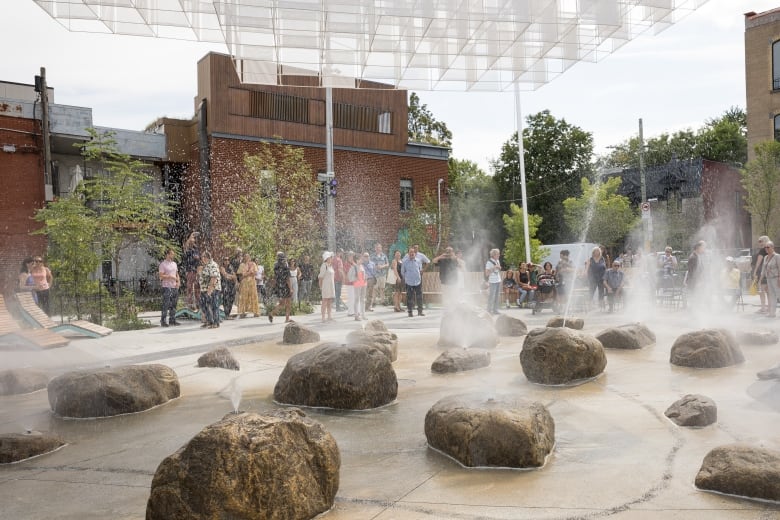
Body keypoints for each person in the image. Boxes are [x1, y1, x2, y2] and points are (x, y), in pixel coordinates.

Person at [198, 251, 221, 329]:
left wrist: (210, 289)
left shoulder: (212, 265)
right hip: (204, 289)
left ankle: (216, 322)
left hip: (212, 289)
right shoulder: (206, 265)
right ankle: (209, 321)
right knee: (204, 306)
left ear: (206, 257)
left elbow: (214, 277)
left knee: (214, 306)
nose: (202, 259)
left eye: (203, 257)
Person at [158, 248, 181, 327]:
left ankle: (172, 320)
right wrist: (170, 277)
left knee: (174, 304)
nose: (173, 255)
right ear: (167, 255)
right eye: (171, 254)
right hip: (166, 287)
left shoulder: (174, 263)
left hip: (174, 286)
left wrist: (178, 282)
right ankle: (163, 321)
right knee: (166, 304)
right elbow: (161, 276)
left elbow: (177, 274)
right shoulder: (162, 264)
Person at [269, 252, 292, 323]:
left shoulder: (276, 266)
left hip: (279, 286)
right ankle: (287, 318)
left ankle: (272, 313)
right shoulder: (285, 266)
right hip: (285, 286)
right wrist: (290, 288)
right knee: (288, 303)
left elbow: (275, 278)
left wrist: (274, 286)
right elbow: (288, 279)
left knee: (282, 303)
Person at [401, 248, 424, 317]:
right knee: (409, 297)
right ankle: (410, 312)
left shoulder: (418, 261)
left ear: (415, 253)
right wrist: (406, 278)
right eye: (410, 252)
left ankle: (420, 311)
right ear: (408, 254)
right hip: (409, 282)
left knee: (419, 297)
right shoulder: (405, 262)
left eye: (413, 252)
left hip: (418, 281)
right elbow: (402, 272)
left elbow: (420, 269)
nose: (412, 253)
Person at [237, 252, 261, 317]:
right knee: (243, 296)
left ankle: (256, 312)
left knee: (253, 296)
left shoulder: (253, 264)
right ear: (243, 258)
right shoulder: (241, 265)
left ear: (250, 258)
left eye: (248, 257)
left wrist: (246, 274)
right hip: (244, 283)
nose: (246, 258)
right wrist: (249, 273)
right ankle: (242, 312)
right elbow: (240, 274)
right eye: (245, 257)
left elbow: (255, 273)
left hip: (252, 282)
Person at [182, 231, 201, 310]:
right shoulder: (187, 248)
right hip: (190, 270)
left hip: (196, 270)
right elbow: (186, 246)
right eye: (192, 239)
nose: (193, 240)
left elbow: (199, 258)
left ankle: (198, 304)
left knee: (197, 287)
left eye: (194, 239)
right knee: (189, 287)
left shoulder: (196, 248)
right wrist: (191, 235)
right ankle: (189, 304)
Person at [761, 241, 780, 318]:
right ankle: (772, 313)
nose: (766, 249)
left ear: (772, 247)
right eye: (765, 247)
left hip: (776, 278)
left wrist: (779, 278)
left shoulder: (777, 256)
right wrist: (760, 279)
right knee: (772, 296)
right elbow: (763, 269)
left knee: (779, 294)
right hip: (769, 279)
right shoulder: (765, 257)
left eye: (768, 247)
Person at [684, 240, 707, 304]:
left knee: (697, 299)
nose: (704, 249)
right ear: (699, 247)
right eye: (704, 247)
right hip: (694, 283)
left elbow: (701, 269)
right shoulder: (693, 257)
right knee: (694, 299)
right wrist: (697, 282)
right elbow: (691, 272)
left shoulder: (697, 256)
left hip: (698, 282)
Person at [752, 236, 770, 314]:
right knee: (768, 291)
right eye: (759, 241)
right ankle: (769, 307)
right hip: (769, 273)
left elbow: (758, 263)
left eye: (760, 241)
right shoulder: (770, 249)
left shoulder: (762, 251)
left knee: (761, 291)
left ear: (765, 241)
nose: (759, 243)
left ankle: (763, 308)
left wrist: (755, 271)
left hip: (762, 273)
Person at [349, 253, 368, 320]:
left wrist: (365, 277)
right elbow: (349, 277)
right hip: (357, 285)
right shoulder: (353, 267)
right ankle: (356, 315)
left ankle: (363, 315)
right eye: (360, 259)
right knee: (357, 299)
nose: (362, 259)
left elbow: (363, 274)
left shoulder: (362, 266)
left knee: (363, 300)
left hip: (364, 284)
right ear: (357, 260)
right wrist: (355, 279)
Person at [370, 243, 389, 307]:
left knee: (382, 288)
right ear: (375, 248)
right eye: (377, 247)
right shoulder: (372, 256)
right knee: (374, 288)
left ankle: (382, 301)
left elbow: (387, 264)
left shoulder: (384, 256)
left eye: (380, 247)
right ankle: (373, 302)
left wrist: (382, 266)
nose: (378, 249)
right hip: (375, 275)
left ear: (381, 248)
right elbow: (370, 264)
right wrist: (375, 266)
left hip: (383, 274)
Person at [318, 251, 335, 322]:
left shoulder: (330, 266)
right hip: (325, 286)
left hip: (331, 285)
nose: (332, 258)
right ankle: (323, 317)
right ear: (327, 258)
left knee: (329, 301)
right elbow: (320, 277)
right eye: (331, 257)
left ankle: (329, 316)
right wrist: (321, 287)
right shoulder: (324, 265)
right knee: (325, 301)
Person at [484, 248, 502, 315]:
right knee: (491, 296)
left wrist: (499, 267)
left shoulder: (497, 260)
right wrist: (494, 267)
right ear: (494, 255)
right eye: (498, 254)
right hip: (492, 281)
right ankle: (488, 310)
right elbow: (487, 273)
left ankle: (495, 310)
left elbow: (499, 269)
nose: (499, 255)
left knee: (497, 296)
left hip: (498, 280)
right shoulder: (489, 262)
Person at [343, 251, 356, 316]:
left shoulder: (353, 263)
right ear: (348, 257)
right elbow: (346, 273)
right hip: (349, 283)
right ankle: (350, 312)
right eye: (351, 256)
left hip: (354, 283)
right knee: (351, 297)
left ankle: (353, 311)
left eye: (352, 256)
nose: (352, 257)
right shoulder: (346, 264)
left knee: (353, 297)